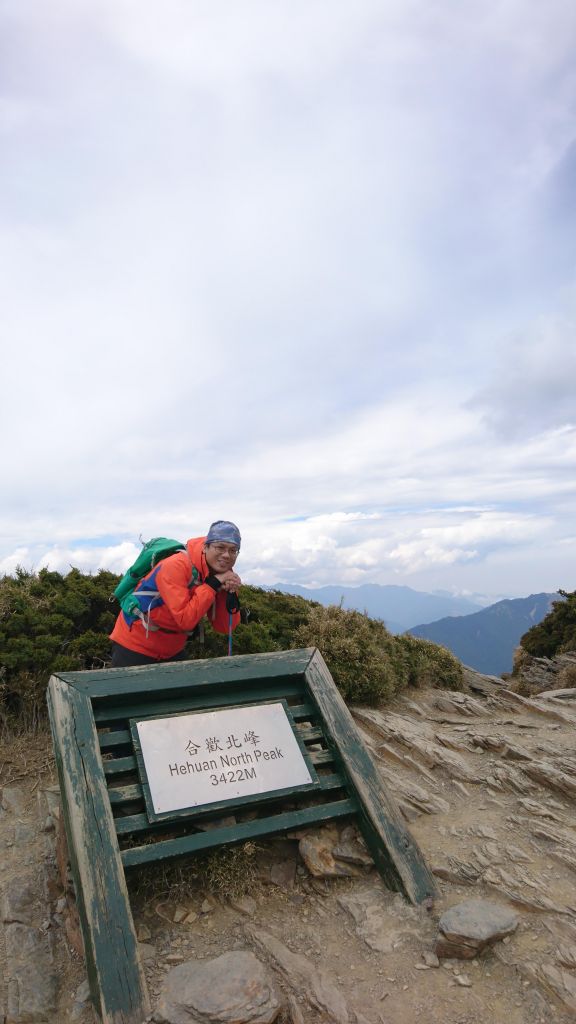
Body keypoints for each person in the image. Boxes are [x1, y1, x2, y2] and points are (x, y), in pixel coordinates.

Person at [109, 521, 242, 667]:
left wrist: (228, 592)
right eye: (220, 548)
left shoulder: (220, 573)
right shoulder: (176, 565)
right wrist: (212, 585)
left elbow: (224, 627)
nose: (226, 555)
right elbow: (185, 619)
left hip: (172, 649)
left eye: (233, 550)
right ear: (205, 547)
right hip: (134, 645)